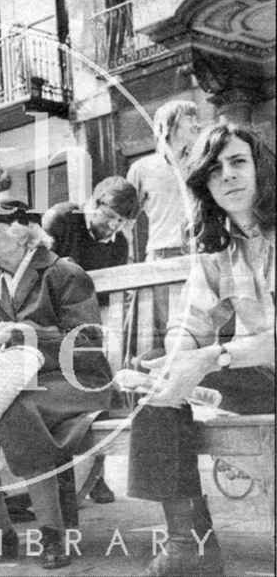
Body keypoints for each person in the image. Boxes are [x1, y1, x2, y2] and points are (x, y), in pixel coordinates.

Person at [127, 124, 275, 576]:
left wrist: (211, 359)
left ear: (261, 168)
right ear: (204, 186)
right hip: (264, 374)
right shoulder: (220, 246)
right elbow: (190, 320)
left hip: (256, 364)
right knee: (154, 385)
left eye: (237, 162)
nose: (227, 176)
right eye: (214, 170)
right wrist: (178, 362)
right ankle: (189, 546)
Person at [0, 201, 112, 569]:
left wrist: (26, 333)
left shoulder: (63, 272)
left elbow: (88, 344)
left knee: (15, 409)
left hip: (76, 382)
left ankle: (52, 532)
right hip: (24, 383)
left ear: (24, 236)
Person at [42, 176, 139, 505]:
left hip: (87, 331)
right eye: (110, 217)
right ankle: (58, 482)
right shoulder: (62, 220)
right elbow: (36, 271)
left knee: (100, 393)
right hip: (48, 328)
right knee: (59, 402)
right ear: (93, 205)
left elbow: (112, 301)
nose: (114, 227)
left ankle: (95, 475)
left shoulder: (119, 245)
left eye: (123, 222)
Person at [127, 100, 203, 345]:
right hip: (161, 257)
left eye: (196, 117)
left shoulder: (202, 164)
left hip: (201, 257)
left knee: (198, 330)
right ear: (169, 125)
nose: (197, 123)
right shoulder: (142, 168)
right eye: (189, 118)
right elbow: (125, 221)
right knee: (161, 332)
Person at [43, 176, 139, 271]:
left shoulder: (120, 246)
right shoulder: (59, 220)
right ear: (93, 204)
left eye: (120, 221)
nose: (112, 225)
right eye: (109, 215)